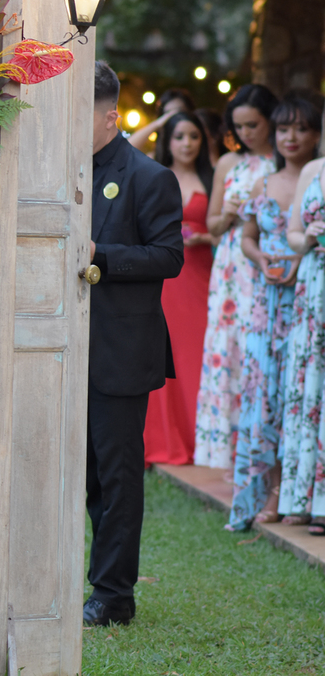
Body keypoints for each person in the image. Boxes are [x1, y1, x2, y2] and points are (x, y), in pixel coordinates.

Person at [84, 62, 183, 627]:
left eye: (82, 115)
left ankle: (114, 594)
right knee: (85, 480)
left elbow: (170, 256)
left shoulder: (148, 177)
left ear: (110, 115)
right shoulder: (62, 171)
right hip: (63, 347)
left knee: (117, 480)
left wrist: (101, 253)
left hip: (119, 351)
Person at [227, 95, 317, 530]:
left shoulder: (319, 180)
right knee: (265, 398)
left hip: (306, 302)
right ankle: (267, 486)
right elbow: (246, 236)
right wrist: (261, 258)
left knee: (298, 394)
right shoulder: (263, 183)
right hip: (265, 304)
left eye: (301, 129)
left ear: (316, 134)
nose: (291, 137)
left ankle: (291, 491)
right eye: (284, 129)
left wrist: (300, 262)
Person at [194, 84, 279, 468]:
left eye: (253, 125)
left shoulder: (283, 161)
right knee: (228, 348)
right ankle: (227, 451)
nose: (246, 133)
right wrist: (230, 212)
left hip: (267, 260)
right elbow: (211, 227)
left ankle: (262, 452)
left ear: (270, 121)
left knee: (260, 349)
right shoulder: (229, 164)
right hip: (230, 267)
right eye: (239, 126)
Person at [143, 112, 214, 465]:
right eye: (179, 136)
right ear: (167, 141)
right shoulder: (154, 175)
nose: (187, 144)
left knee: (198, 355)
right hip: (167, 279)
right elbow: (126, 145)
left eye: (194, 136)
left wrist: (206, 236)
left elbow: (229, 228)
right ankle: (163, 440)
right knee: (164, 355)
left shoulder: (213, 176)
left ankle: (201, 439)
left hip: (202, 277)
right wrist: (159, 121)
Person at [272, 95, 325, 529]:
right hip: (312, 284)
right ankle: (301, 497)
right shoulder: (313, 170)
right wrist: (306, 237)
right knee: (308, 386)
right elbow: (291, 233)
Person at [130, 87, 197, 153]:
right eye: (168, 114)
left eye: (179, 112)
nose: (187, 144)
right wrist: (157, 124)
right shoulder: (156, 158)